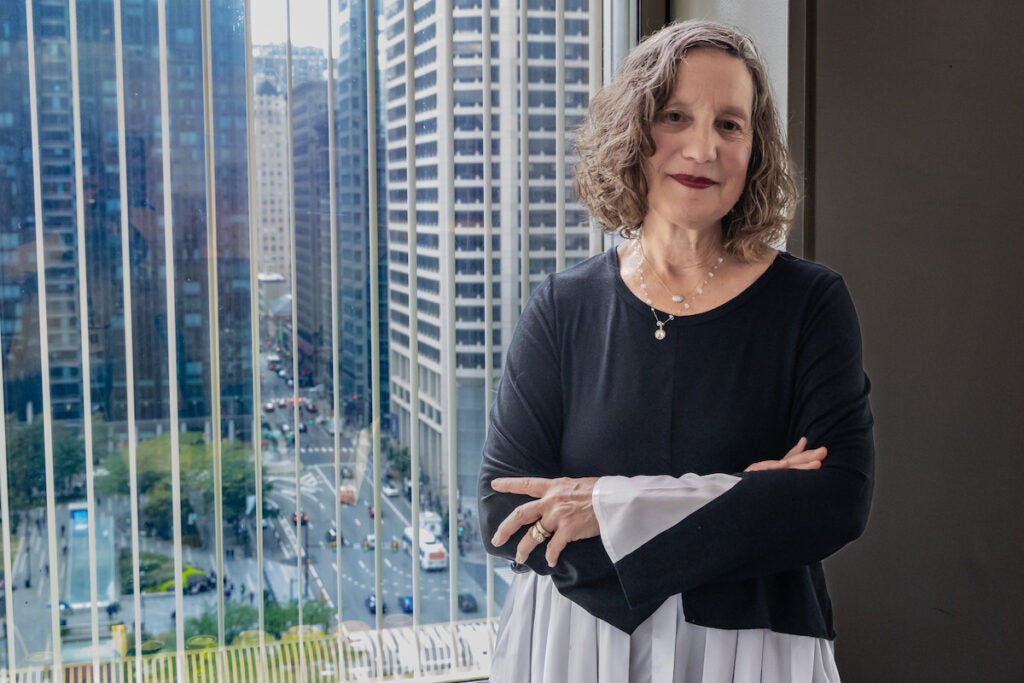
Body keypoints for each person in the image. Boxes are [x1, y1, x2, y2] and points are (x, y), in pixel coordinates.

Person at [478, 19, 873, 683]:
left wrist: (601, 505)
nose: (702, 147)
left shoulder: (811, 303)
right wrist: (751, 496)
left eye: (729, 124)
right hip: (580, 647)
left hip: (754, 650)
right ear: (635, 133)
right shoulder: (563, 306)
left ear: (756, 151)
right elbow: (504, 514)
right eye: (675, 116)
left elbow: (836, 501)